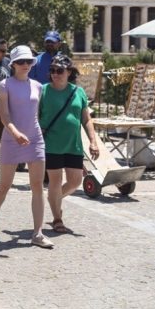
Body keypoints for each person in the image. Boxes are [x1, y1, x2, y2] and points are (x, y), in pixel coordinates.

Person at [0, 45, 54, 248]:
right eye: (21, 62)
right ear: (13, 64)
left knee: (37, 186)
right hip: (11, 139)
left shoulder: (38, 86)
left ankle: (38, 233)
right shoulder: (5, 84)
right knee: (4, 185)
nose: (26, 65)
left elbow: (34, 114)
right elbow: (4, 115)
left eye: (29, 61)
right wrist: (15, 133)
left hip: (35, 138)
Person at [39, 55, 99, 233]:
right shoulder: (42, 91)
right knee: (55, 182)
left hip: (74, 145)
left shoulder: (78, 92)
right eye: (52, 71)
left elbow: (86, 119)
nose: (55, 74)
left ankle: (54, 200)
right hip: (52, 145)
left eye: (59, 71)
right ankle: (57, 219)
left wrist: (93, 141)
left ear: (69, 72)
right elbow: (34, 118)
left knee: (75, 182)